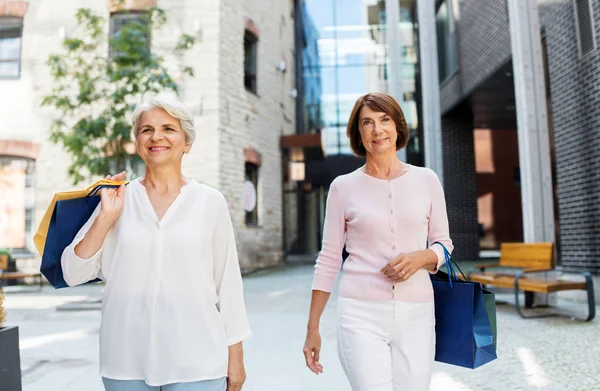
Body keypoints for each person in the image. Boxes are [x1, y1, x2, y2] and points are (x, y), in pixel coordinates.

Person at [61, 93, 251, 391]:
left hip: (197, 361)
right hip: (125, 361)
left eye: (168, 128)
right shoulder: (116, 199)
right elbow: (72, 273)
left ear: (187, 143)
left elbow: (228, 284)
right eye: (146, 129)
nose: (156, 136)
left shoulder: (210, 202)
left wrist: (235, 357)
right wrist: (106, 217)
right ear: (137, 143)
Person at [302, 92, 453, 391]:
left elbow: (444, 244)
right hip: (359, 313)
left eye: (384, 120)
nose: (377, 129)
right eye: (367, 122)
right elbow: (330, 258)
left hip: (417, 313)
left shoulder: (427, 180)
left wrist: (421, 258)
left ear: (398, 126)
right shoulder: (342, 188)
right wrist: (312, 327)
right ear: (358, 133)